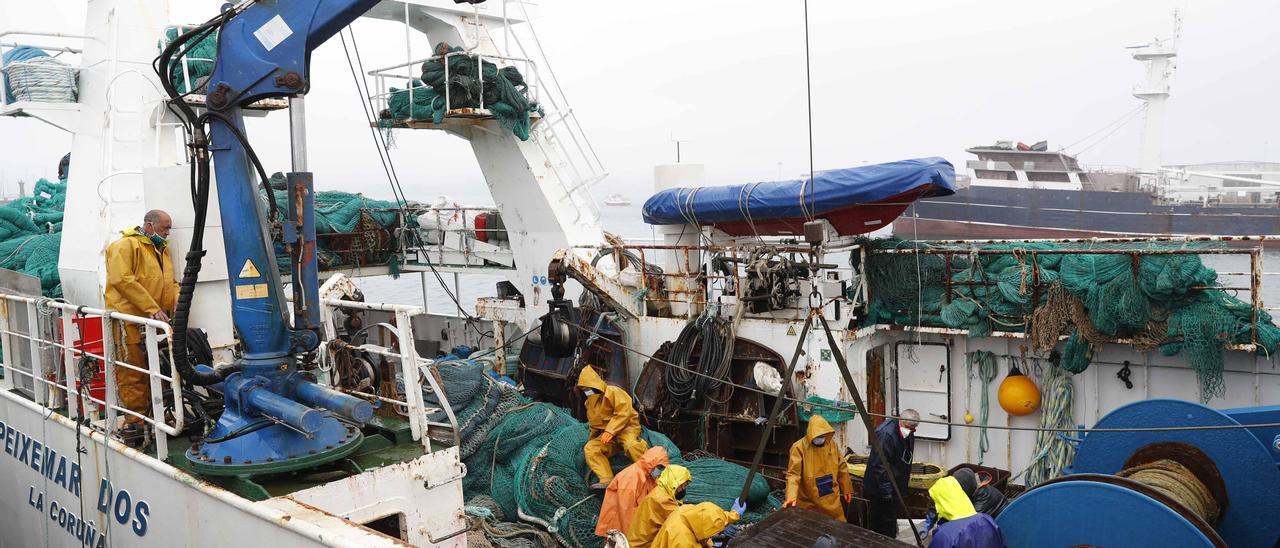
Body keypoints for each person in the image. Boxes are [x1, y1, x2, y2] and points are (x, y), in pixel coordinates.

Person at [105, 210, 178, 446]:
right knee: (132, 372)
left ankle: (160, 414)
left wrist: (176, 309)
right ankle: (136, 422)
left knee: (160, 369)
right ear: (149, 224)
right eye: (165, 228)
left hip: (156, 323)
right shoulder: (126, 246)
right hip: (129, 323)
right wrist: (151, 308)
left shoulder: (162, 251)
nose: (168, 233)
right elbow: (121, 279)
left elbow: (171, 284)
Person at [577, 366, 649, 488]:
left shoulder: (613, 391)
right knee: (591, 449)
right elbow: (594, 425)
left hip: (626, 428)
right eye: (585, 390)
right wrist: (593, 439)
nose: (588, 391)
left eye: (589, 388)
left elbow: (624, 412)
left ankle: (653, 470)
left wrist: (611, 430)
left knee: (631, 445)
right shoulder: (589, 403)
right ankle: (606, 479)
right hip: (607, 437)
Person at [783, 415, 854, 521]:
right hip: (808, 499)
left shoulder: (832, 445)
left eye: (823, 435)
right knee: (810, 528)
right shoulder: (798, 447)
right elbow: (793, 474)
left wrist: (847, 488)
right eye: (818, 435)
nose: (821, 438)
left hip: (830, 498)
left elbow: (841, 467)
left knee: (837, 527)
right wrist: (791, 497)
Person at [862, 409, 919, 537]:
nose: (910, 431)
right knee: (881, 522)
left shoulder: (907, 432)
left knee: (891, 519)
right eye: (908, 428)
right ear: (900, 420)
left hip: (895, 485)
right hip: (880, 488)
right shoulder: (886, 435)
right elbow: (879, 465)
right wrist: (887, 492)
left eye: (913, 429)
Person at [596, 445, 670, 537]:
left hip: (633, 525)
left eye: (662, 468)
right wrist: (631, 536)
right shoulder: (631, 476)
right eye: (659, 467)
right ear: (652, 462)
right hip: (618, 528)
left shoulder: (648, 477)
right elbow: (626, 510)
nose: (660, 471)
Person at [923, 472, 1004, 548]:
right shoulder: (987, 520)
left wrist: (946, 528)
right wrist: (929, 520)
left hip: (1002, 516)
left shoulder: (944, 535)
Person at [627, 464, 692, 548]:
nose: (683, 489)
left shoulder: (661, 492)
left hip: (641, 541)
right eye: (682, 485)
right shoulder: (662, 500)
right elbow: (682, 519)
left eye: (685, 485)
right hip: (642, 545)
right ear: (674, 483)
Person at [650, 501, 742, 548]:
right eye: (712, 533)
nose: (714, 535)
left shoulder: (686, 511)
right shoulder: (682, 542)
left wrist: (734, 515)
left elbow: (711, 515)